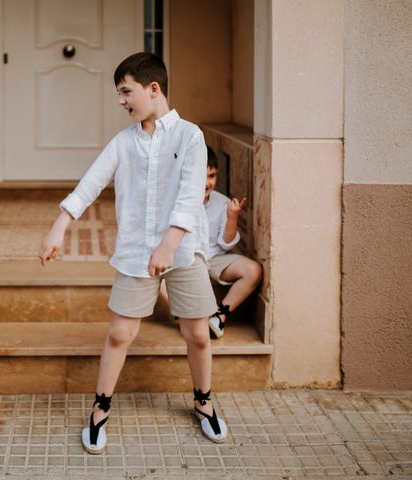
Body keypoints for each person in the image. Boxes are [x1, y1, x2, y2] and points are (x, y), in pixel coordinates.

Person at [39, 53, 228, 454]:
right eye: (119, 94)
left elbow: (191, 195)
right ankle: (99, 410)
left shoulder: (190, 136)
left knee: (196, 333)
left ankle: (204, 401)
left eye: (126, 92)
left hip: (183, 250)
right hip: (136, 253)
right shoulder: (123, 142)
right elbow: (91, 182)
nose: (122, 101)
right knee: (120, 333)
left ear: (153, 88)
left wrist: (169, 244)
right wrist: (60, 225)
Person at [200, 148, 263, 338]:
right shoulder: (177, 200)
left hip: (213, 260)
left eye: (211, 176)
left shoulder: (222, 202)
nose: (206, 183)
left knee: (254, 270)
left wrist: (232, 217)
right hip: (184, 263)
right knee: (159, 279)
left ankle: (218, 317)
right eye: (200, 176)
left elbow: (226, 243)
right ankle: (192, 320)